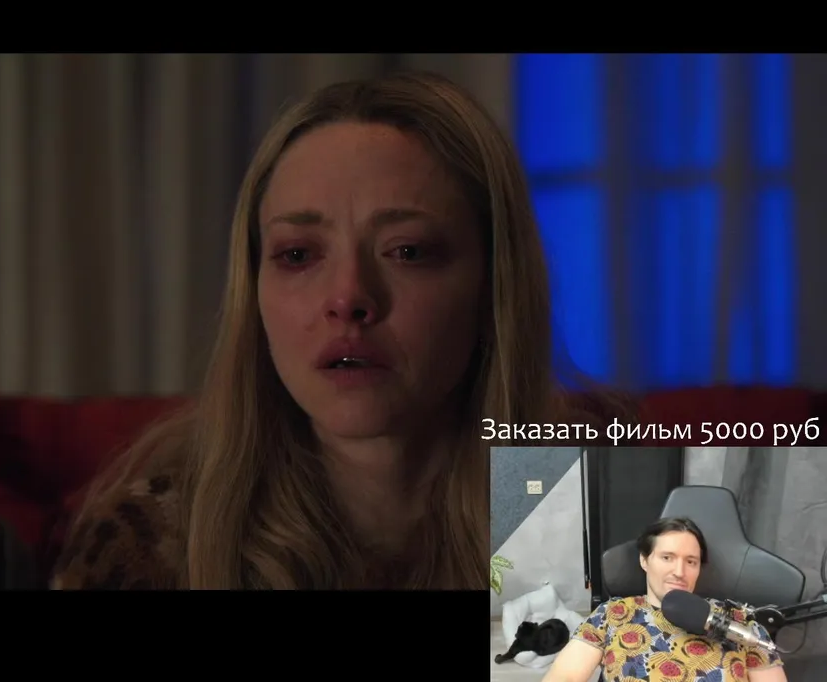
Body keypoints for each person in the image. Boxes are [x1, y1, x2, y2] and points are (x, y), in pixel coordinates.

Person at [50, 72, 614, 590]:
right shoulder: (150, 547)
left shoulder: (600, 521)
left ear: (494, 284)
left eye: (407, 251)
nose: (348, 298)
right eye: (298, 254)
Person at [542, 517, 787, 682]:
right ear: (644, 560)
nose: (679, 572)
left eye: (691, 561)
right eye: (667, 558)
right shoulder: (612, 614)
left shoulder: (740, 622)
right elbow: (564, 677)